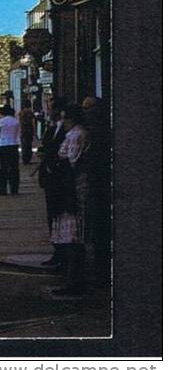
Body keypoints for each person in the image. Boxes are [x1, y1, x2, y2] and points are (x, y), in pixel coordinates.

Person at [51, 104, 90, 297]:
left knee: (73, 236)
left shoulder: (76, 135)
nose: (63, 121)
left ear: (73, 119)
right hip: (70, 189)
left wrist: (57, 165)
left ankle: (74, 282)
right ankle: (72, 279)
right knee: (71, 235)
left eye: (65, 118)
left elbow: (71, 162)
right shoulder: (74, 134)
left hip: (73, 191)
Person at [82, 96, 111, 286]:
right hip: (94, 186)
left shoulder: (97, 132)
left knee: (99, 230)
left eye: (87, 109)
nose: (85, 113)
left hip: (99, 187)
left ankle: (101, 272)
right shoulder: (94, 130)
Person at [36, 97, 68, 268]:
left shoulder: (67, 130)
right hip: (50, 178)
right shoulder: (53, 127)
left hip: (59, 179)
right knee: (53, 218)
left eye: (50, 106)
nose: (47, 108)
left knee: (60, 218)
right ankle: (57, 252)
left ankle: (62, 255)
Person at [0, 105, 21, 196]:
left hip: (3, 146)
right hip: (13, 145)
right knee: (14, 168)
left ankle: (2, 190)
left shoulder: (0, 121)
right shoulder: (16, 122)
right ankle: (14, 189)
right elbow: (18, 134)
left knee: (4, 168)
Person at [19, 100, 36, 165]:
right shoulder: (30, 112)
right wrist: (34, 132)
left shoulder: (21, 113)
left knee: (24, 145)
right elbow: (33, 122)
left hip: (23, 131)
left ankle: (24, 159)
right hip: (29, 130)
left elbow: (20, 122)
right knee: (29, 145)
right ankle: (28, 159)